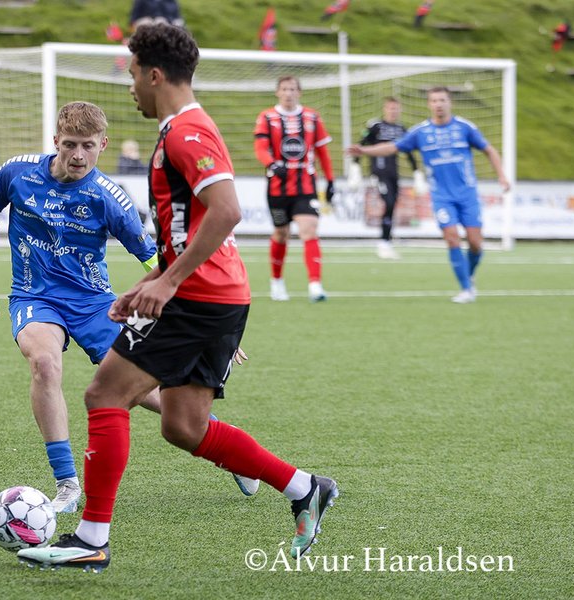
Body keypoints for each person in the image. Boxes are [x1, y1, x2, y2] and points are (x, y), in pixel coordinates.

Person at [17, 24, 337, 572]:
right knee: (183, 425)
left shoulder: (187, 133)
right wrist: (153, 280)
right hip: (217, 294)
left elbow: (228, 211)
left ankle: (91, 540)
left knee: (105, 393)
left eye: (132, 75)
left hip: (199, 296)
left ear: (154, 74)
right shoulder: (183, 128)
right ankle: (305, 487)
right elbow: (189, 227)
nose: (130, 87)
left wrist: (168, 283)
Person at [0, 101, 258, 515]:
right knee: (44, 364)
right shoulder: (16, 173)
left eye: (88, 146)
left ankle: (228, 449)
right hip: (34, 297)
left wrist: (210, 318)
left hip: (94, 305)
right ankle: (67, 484)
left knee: (148, 394)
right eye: (70, 144)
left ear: (102, 145)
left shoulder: (109, 198)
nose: (78, 155)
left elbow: (156, 258)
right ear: (55, 140)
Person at [349, 86, 510, 304]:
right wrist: (364, 150)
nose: (438, 104)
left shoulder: (465, 128)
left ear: (450, 102)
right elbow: (392, 147)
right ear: (429, 104)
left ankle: (468, 274)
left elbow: (489, 150)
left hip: (468, 195)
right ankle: (466, 289)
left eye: (442, 100)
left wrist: (502, 176)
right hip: (442, 197)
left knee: (475, 243)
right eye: (434, 101)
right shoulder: (421, 132)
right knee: (452, 237)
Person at [254, 76, 335, 302]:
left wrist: (330, 180)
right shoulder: (267, 117)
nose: (288, 93)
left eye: (292, 89)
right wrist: (271, 164)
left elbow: (323, 152)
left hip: (305, 186)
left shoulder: (312, 117)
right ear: (277, 92)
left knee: (309, 229)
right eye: (284, 89)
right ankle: (277, 281)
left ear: (299, 92)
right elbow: (260, 148)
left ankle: (315, 286)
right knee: (281, 234)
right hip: (277, 188)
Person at [357, 97, 419, 260]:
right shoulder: (375, 126)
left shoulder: (401, 129)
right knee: (389, 202)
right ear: (385, 109)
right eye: (391, 108)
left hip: (393, 174)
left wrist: (417, 172)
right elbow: (361, 144)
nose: (393, 112)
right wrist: (355, 167)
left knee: (392, 206)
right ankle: (384, 242)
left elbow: (409, 152)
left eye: (396, 109)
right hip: (379, 173)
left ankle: (386, 241)